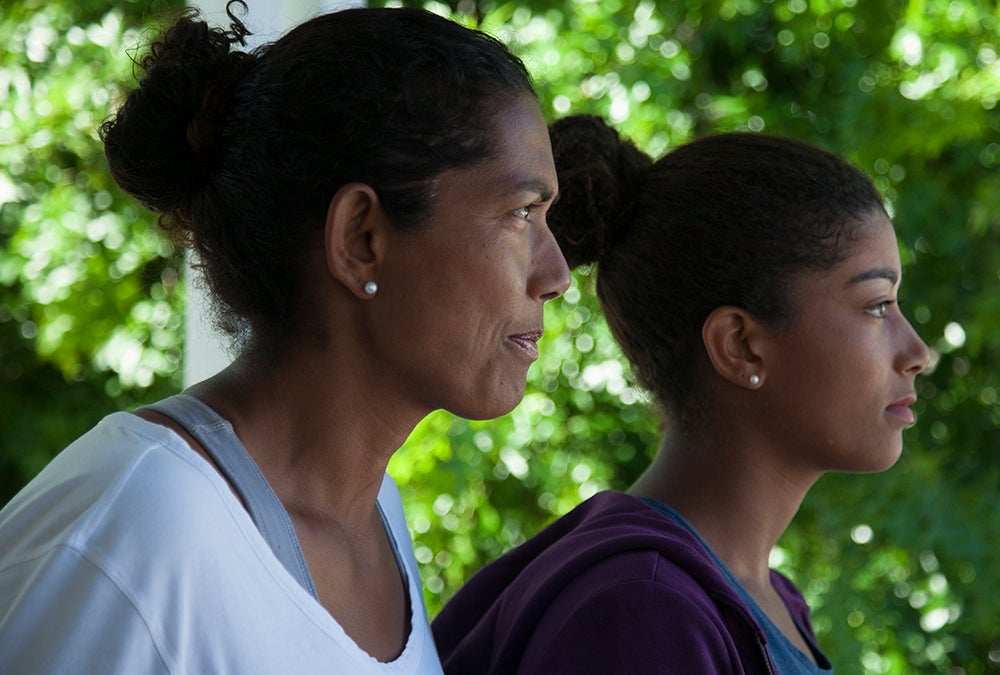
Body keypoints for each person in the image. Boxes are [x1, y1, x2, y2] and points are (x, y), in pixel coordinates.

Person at [0, 4, 568, 673]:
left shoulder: (373, 512)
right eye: (520, 214)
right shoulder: (136, 536)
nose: (555, 274)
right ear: (361, 239)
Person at [432, 115, 931, 674]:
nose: (918, 351)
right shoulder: (646, 611)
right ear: (740, 346)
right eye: (877, 305)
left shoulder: (763, 601)